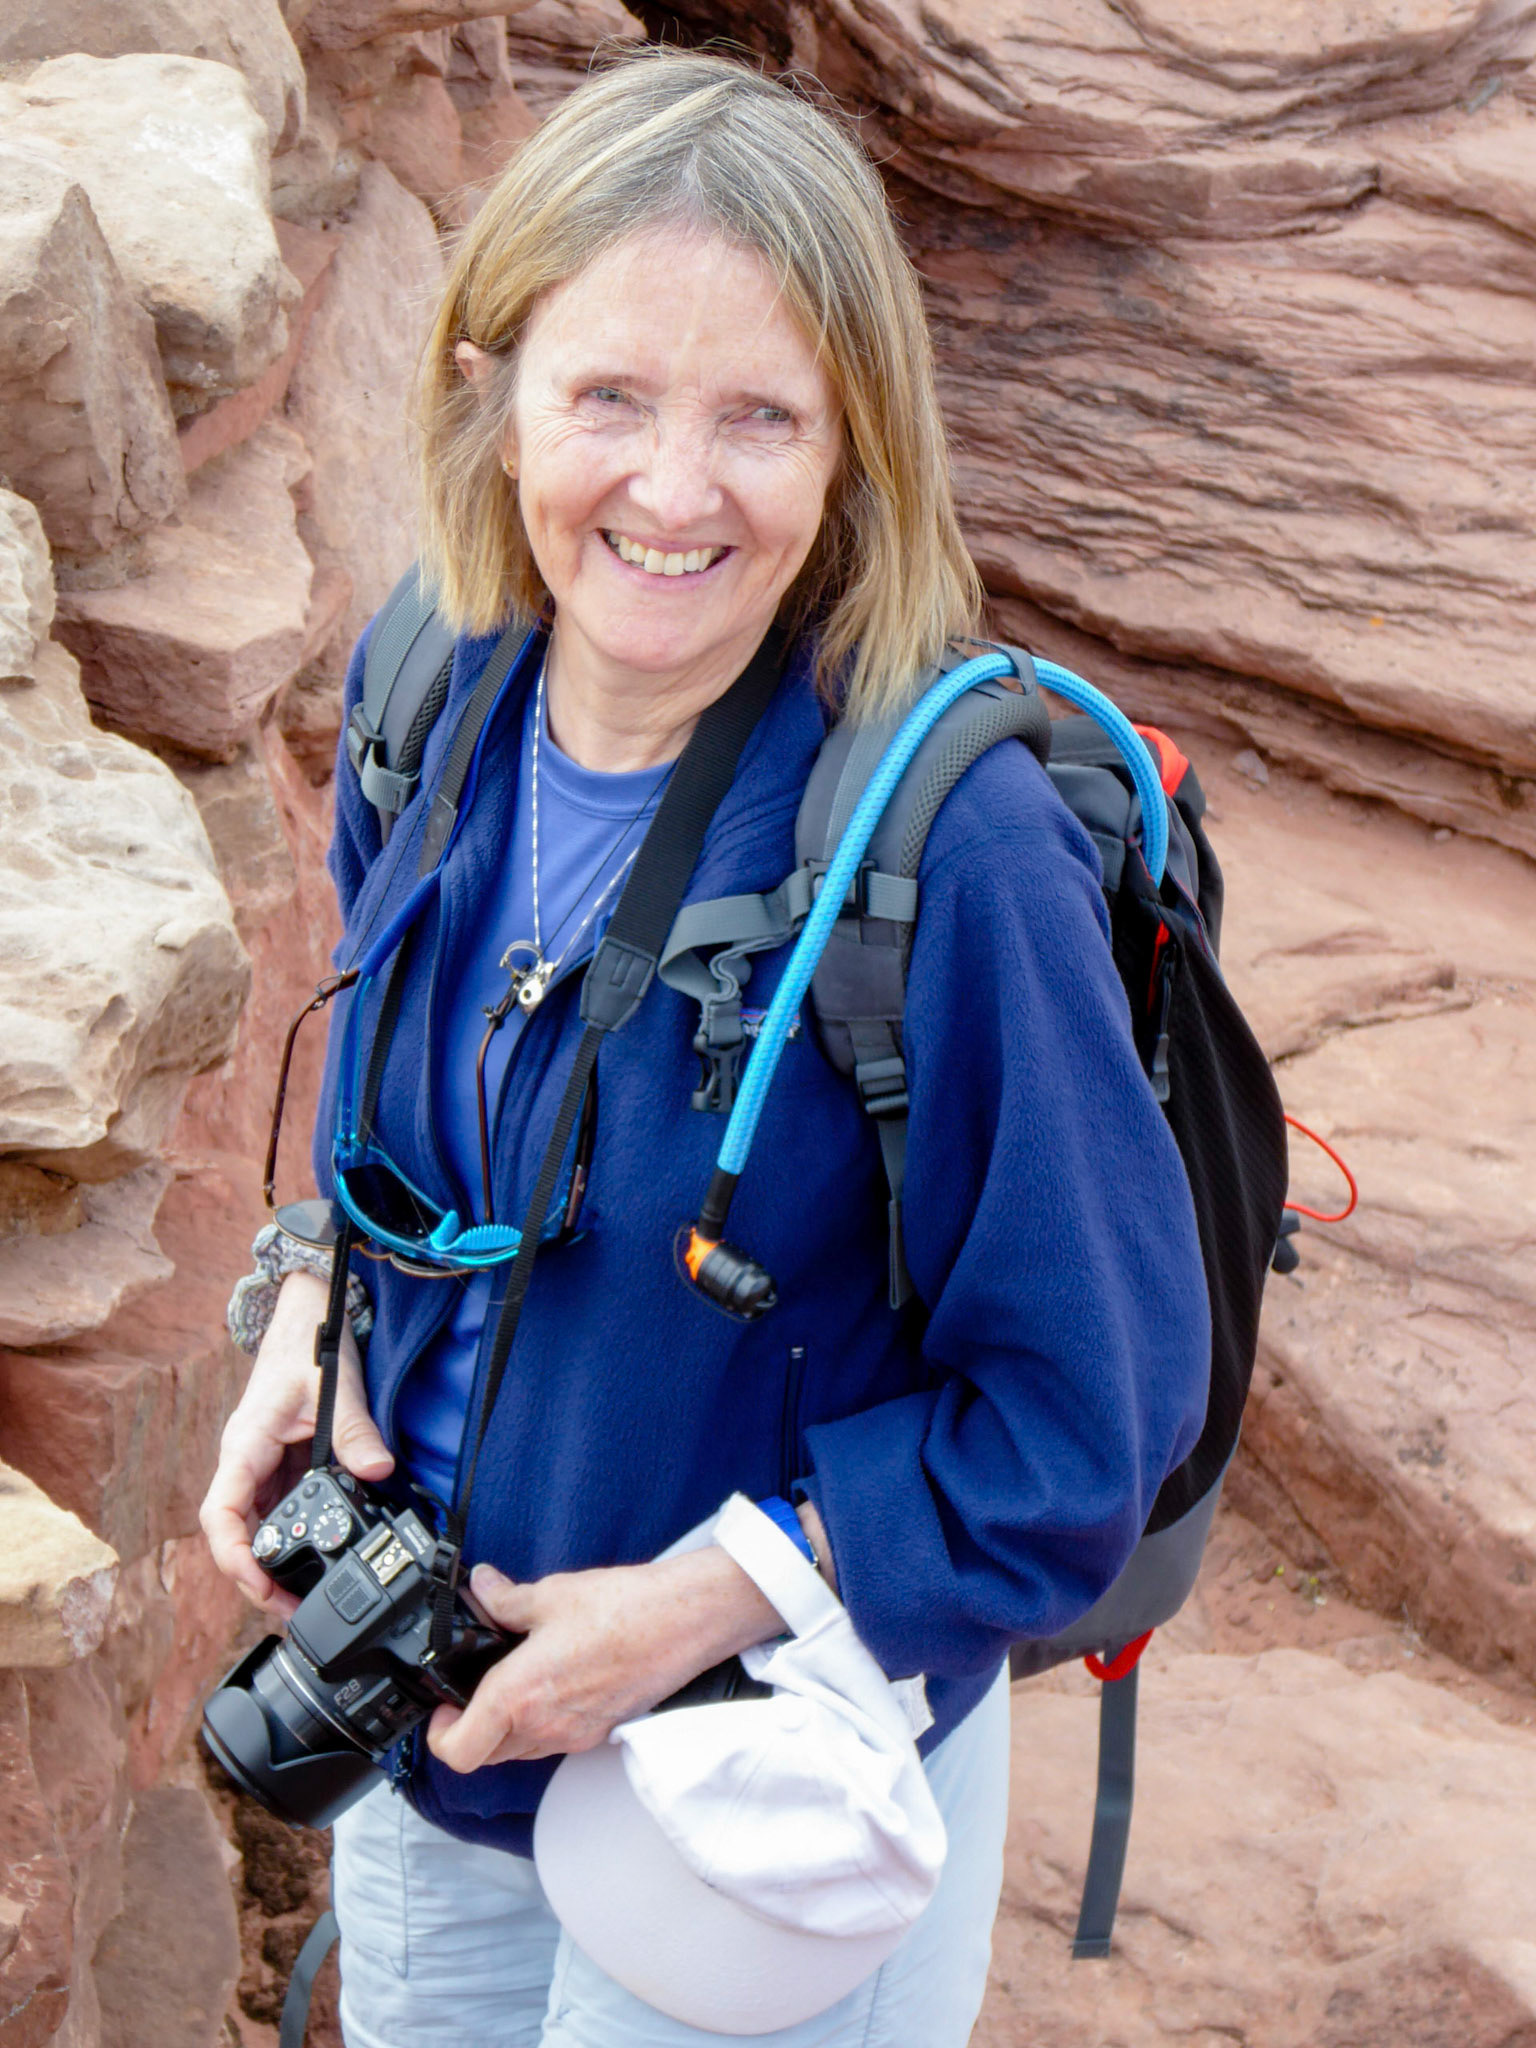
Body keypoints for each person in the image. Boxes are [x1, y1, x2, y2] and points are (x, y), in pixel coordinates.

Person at [201, 47, 1209, 2048]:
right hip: (452, 1731)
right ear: (490, 391)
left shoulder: (946, 850)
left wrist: (700, 1601)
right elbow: (412, 1098)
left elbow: (1088, 1428)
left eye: (761, 415)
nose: (673, 491)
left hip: (761, 1794)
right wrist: (314, 1303)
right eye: (608, 398)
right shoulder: (438, 688)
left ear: (857, 448)